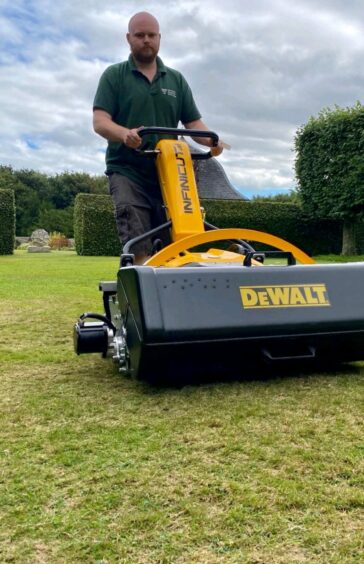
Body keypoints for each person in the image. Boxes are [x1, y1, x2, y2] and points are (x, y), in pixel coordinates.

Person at [93, 11, 223, 264]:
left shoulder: (176, 80)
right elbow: (100, 121)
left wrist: (212, 142)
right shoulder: (114, 76)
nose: (146, 40)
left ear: (159, 38)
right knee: (137, 234)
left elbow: (193, 122)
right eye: (140, 35)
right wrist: (124, 134)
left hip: (171, 172)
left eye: (151, 35)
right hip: (128, 170)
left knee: (177, 240)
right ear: (128, 38)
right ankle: (143, 288)